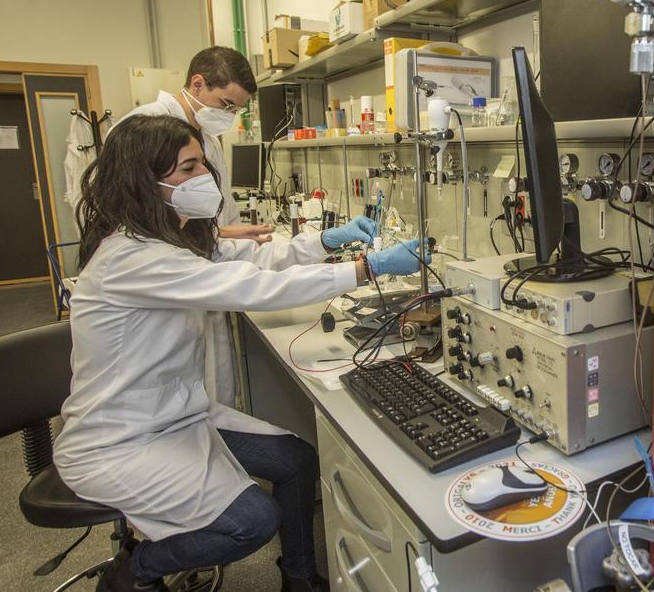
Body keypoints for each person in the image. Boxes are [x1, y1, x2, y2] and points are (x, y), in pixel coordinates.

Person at [54, 115, 428, 592]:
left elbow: (247, 260)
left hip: (176, 416)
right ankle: (136, 570)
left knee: (295, 459)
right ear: (143, 182)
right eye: (188, 168)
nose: (203, 178)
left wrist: (326, 241)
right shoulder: (131, 259)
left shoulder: (165, 240)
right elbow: (252, 287)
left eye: (201, 165)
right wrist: (365, 267)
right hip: (121, 440)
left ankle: (297, 577)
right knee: (252, 521)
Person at [115, 46, 269, 407]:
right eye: (226, 104)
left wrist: (221, 232)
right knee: (179, 393)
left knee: (213, 393)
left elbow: (211, 215)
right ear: (197, 84)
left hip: (201, 270)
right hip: (164, 288)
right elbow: (133, 217)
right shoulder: (142, 129)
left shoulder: (208, 140)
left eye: (236, 110)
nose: (229, 116)